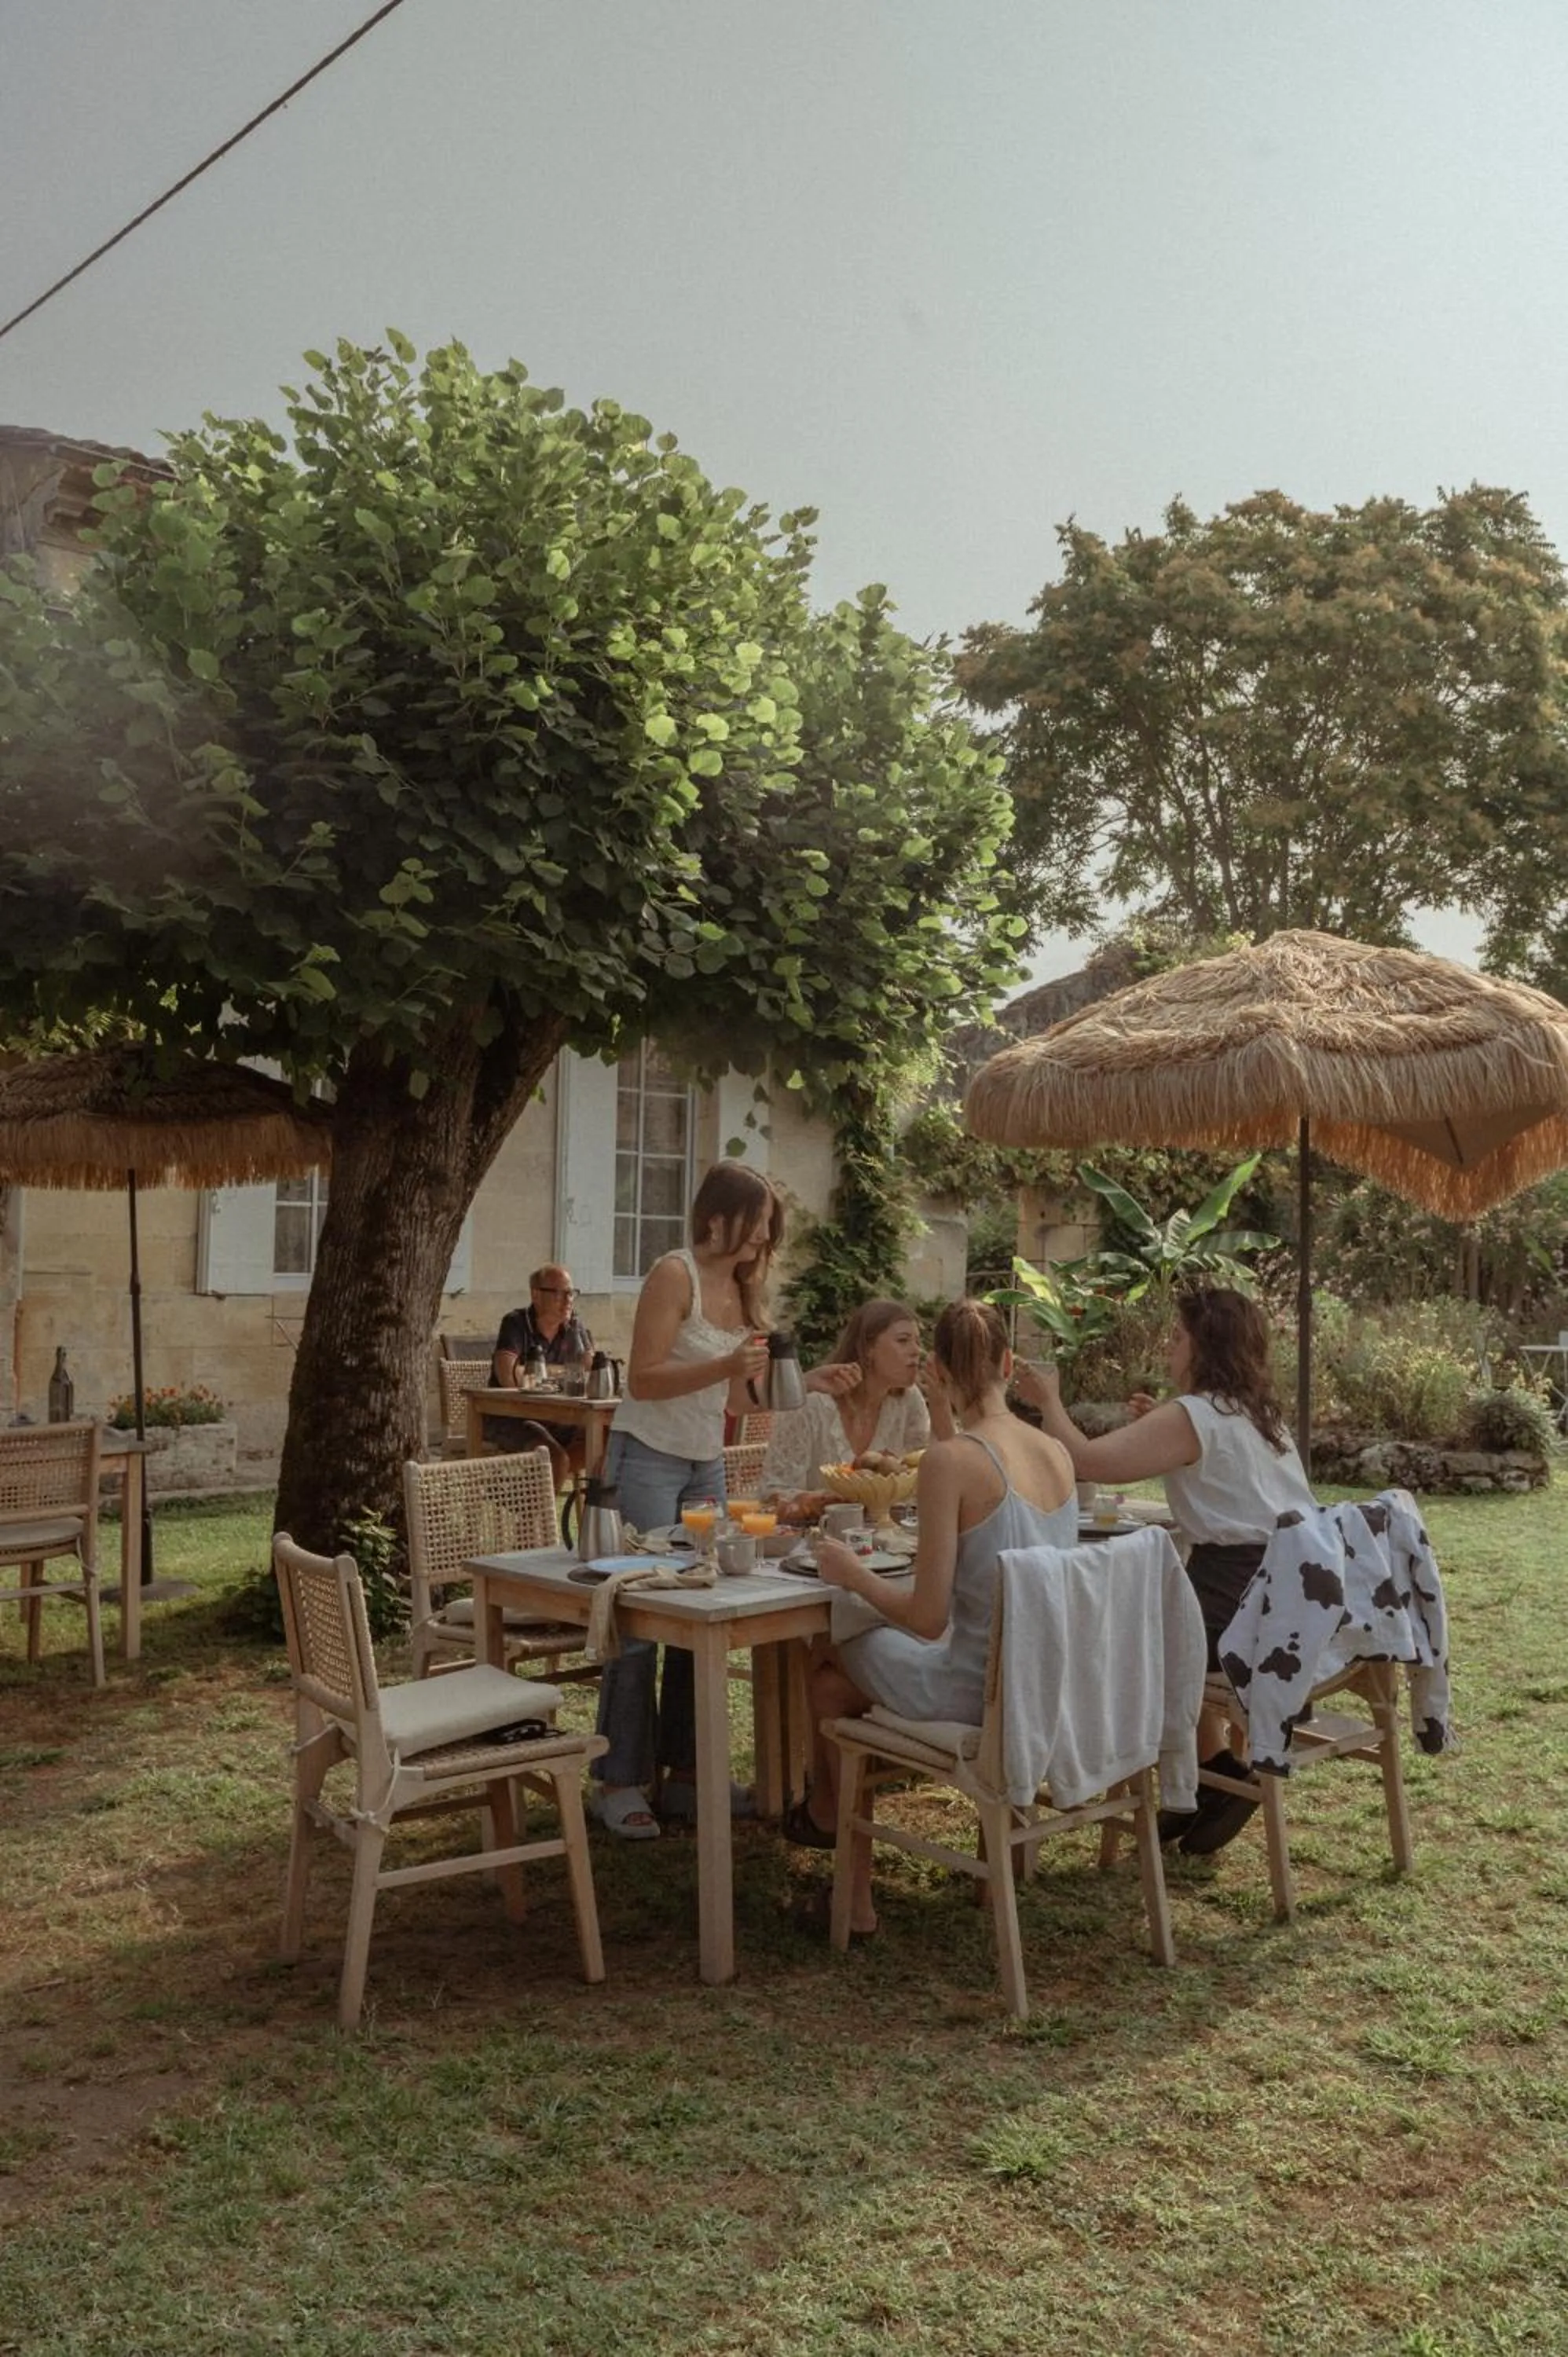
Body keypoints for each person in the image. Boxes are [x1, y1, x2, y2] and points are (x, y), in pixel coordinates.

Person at [792, 1298, 1077, 1936]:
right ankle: (986, 1869)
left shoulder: (952, 1462)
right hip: (1042, 1682)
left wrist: (852, 1575)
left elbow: (926, 1618)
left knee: (829, 1662)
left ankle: (850, 1889)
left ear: (938, 1372)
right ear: (1009, 1364)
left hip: (974, 1691)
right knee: (849, 1662)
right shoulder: (1057, 1452)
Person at [1013, 1284, 1317, 1855]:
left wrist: (1049, 1402)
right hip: (1289, 1599)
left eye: (1178, 1337)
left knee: (1125, 1637)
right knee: (1158, 1620)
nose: (1168, 1349)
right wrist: (1162, 1424)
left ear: (1206, 1347)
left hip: (1237, 1597)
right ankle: (1206, 1777)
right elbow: (1228, 1474)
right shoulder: (1256, 1415)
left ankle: (1191, 1777)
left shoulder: (1195, 1415)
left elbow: (1088, 1461)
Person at [593, 1160, 843, 1839]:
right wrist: (727, 1364)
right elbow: (644, 1380)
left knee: (697, 1611)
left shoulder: (743, 1288)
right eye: (757, 1223)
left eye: (768, 1228)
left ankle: (686, 1775)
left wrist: (807, 1382)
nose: (764, 1237)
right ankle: (618, 1781)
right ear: (716, 1217)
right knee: (639, 1612)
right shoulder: (673, 1274)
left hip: (703, 1460)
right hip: (648, 1454)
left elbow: (737, 1398)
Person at [759, 1298, 952, 1499]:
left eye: (918, 1342)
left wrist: (941, 1404)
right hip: (817, 1520)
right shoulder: (811, 1406)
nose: (916, 1351)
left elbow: (936, 1477)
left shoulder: (908, 1399)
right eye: (903, 1341)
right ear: (868, 1349)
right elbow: (772, 1491)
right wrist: (823, 1502)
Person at [483, 1265, 593, 1483]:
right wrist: (564, 1374)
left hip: (557, 1417)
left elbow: (588, 1369)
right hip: (511, 1416)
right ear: (536, 1295)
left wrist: (538, 1374)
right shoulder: (516, 1323)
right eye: (559, 1293)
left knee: (605, 1440)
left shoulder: (573, 1325)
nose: (568, 1300)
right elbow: (508, 1377)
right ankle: (536, 1494)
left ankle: (530, 1491)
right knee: (555, 1460)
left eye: (571, 1293)